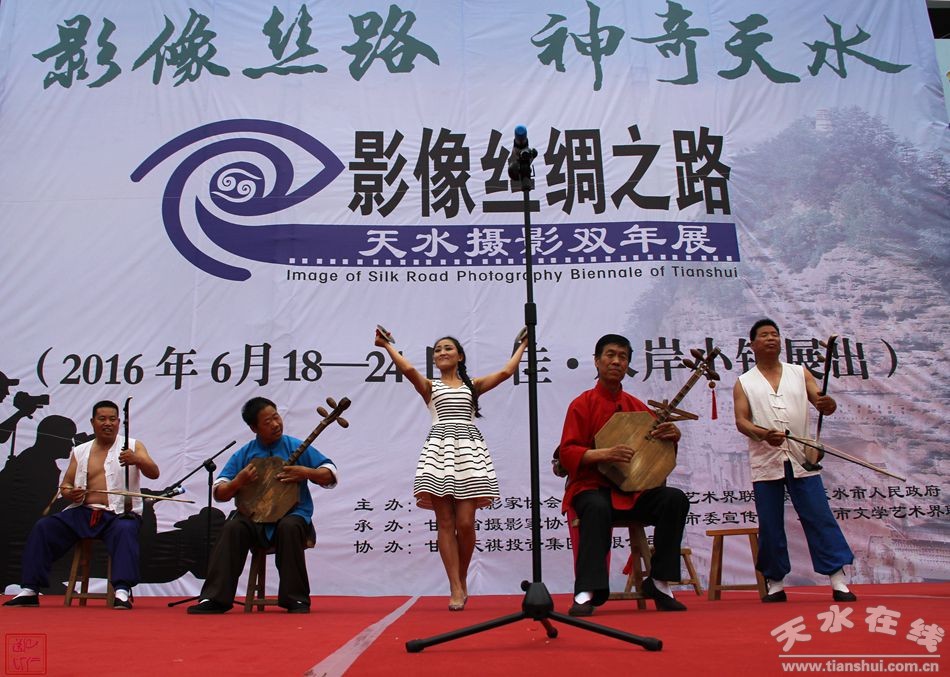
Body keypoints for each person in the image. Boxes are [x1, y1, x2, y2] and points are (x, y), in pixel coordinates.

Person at [375, 327, 527, 611]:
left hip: (469, 453)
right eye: (437, 350)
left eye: (448, 348)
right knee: (445, 522)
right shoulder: (430, 386)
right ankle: (455, 586)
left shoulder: (473, 385)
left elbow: (507, 372)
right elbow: (408, 369)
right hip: (439, 453)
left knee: (466, 523)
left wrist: (523, 345)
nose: (442, 353)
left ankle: (461, 577)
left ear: (460, 356)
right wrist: (386, 346)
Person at [558, 334, 690, 616]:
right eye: (610, 355)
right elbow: (567, 453)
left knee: (674, 499)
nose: (616, 361)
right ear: (597, 361)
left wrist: (672, 437)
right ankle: (587, 591)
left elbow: (656, 456)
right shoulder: (582, 404)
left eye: (623, 357)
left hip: (634, 491)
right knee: (595, 506)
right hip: (592, 487)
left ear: (628, 364)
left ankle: (660, 582)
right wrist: (602, 454)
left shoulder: (637, 406)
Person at [733, 318, 856, 603]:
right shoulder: (744, 382)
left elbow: (822, 402)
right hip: (766, 461)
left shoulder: (799, 373)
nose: (771, 338)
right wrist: (764, 434)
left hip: (802, 458)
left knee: (818, 515)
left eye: (775, 334)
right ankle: (775, 582)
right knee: (770, 522)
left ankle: (838, 580)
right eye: (764, 335)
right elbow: (741, 421)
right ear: (752, 344)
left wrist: (828, 403)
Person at [3, 400, 160, 609]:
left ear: (118, 422)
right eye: (102, 419)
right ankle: (30, 589)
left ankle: (122, 591)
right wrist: (72, 493)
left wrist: (137, 460)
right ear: (93, 422)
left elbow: (154, 473)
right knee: (44, 527)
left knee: (125, 529)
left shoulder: (133, 446)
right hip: (83, 512)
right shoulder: (81, 451)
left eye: (112, 419)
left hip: (119, 513)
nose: (107, 423)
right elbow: (66, 485)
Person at [187, 397, 338, 614]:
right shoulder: (245, 453)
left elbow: (329, 473)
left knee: (289, 526)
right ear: (254, 428)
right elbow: (219, 492)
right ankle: (214, 598)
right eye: (267, 422)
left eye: (276, 417)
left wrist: (306, 472)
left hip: (292, 515)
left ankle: (296, 599)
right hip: (254, 519)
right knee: (233, 527)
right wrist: (238, 482)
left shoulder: (294, 446)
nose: (276, 424)